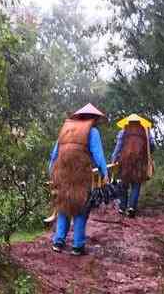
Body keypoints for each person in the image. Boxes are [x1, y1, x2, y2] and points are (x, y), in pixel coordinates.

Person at [49, 103, 108, 255]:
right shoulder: (92, 131)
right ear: (94, 119)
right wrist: (104, 173)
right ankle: (77, 246)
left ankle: (58, 242)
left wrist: (52, 173)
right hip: (81, 176)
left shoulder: (66, 130)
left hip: (62, 175)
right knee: (81, 208)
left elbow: (54, 154)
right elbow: (98, 155)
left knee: (63, 206)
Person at [111, 114, 155, 217]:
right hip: (139, 162)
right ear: (140, 122)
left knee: (123, 185)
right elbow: (152, 146)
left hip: (125, 161)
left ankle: (122, 208)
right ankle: (132, 208)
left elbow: (118, 147)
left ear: (128, 121)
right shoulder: (145, 130)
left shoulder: (124, 130)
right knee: (136, 185)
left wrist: (113, 159)